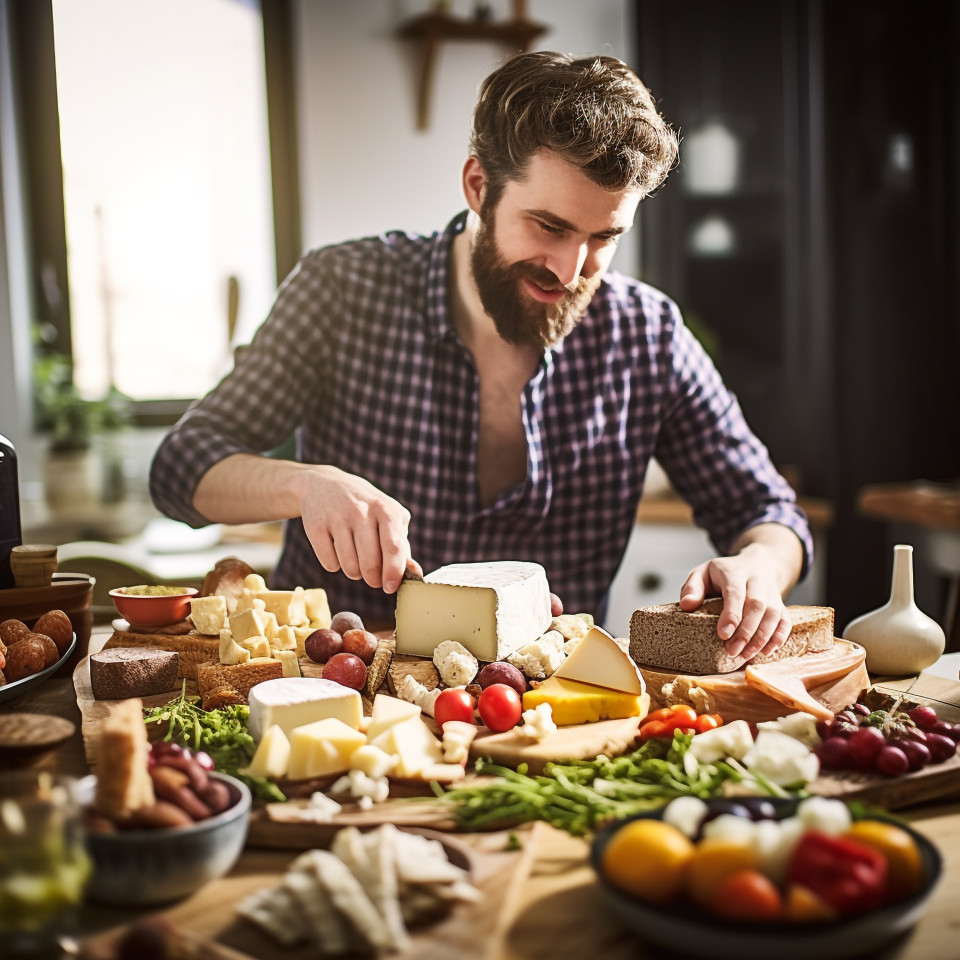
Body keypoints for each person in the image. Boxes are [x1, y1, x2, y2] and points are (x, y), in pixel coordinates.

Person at [150, 51, 812, 662]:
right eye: (548, 226)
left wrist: (759, 568)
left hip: (546, 716)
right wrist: (305, 483)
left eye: (603, 237)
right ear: (477, 186)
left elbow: (769, 513)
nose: (571, 267)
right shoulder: (343, 289)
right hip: (341, 694)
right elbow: (180, 468)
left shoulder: (648, 336)